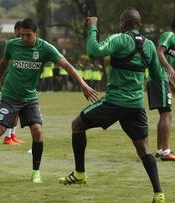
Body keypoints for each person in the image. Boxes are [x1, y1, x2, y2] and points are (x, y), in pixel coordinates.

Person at [0, 18, 98, 183]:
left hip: (30, 98)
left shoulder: (46, 48)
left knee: (37, 132)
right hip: (9, 96)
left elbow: (67, 65)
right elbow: (4, 61)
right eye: (22, 35)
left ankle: (35, 172)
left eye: (28, 35)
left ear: (36, 33)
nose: (24, 38)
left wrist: (83, 85)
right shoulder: (12, 45)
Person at [58, 8, 166, 203]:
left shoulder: (119, 39)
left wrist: (92, 27)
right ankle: (158, 193)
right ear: (139, 25)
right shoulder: (149, 45)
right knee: (143, 148)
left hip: (114, 102)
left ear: (122, 24)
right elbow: (157, 77)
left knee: (77, 125)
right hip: (135, 105)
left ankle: (80, 174)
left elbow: (93, 51)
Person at [148, 19, 175, 161]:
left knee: (164, 114)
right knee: (167, 115)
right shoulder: (170, 35)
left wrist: (172, 85)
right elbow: (159, 52)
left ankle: (160, 149)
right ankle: (166, 151)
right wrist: (169, 68)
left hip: (161, 79)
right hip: (158, 77)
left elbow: (173, 71)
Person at [3, 20, 25, 145]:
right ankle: (7, 137)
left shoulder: (25, 45)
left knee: (17, 113)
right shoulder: (12, 45)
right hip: (12, 85)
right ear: (16, 31)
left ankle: (12, 135)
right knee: (12, 112)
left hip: (21, 85)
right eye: (20, 31)